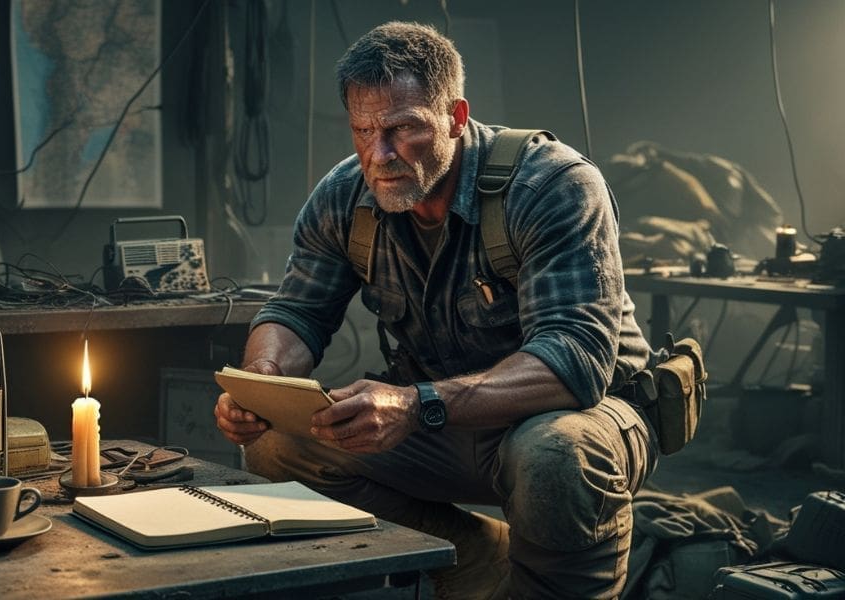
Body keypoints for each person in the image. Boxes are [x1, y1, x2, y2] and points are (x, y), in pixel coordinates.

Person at [214, 21, 659, 600]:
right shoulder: (346, 195)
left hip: (578, 417)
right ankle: (479, 560)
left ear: (455, 116)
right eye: (363, 130)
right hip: (440, 420)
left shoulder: (552, 185)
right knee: (277, 444)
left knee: (553, 455)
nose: (380, 154)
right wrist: (263, 382)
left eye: (403, 129)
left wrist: (413, 402)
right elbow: (296, 311)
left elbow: (574, 361)